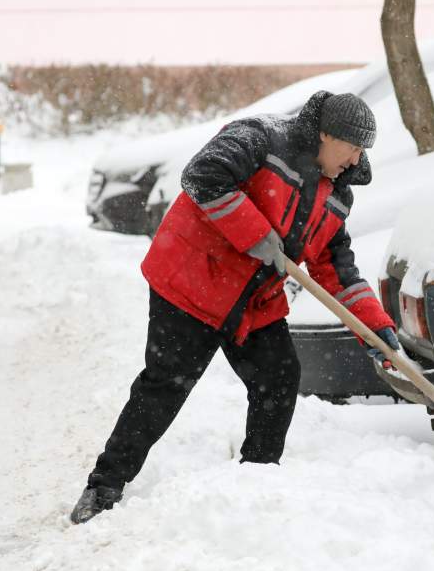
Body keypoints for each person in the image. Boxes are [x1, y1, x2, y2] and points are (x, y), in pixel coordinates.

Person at [70, 91, 399, 524]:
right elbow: (202, 176)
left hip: (253, 301)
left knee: (279, 377)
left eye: (363, 151)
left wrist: (375, 328)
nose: (356, 160)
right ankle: (104, 485)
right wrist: (254, 231)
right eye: (352, 147)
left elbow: (336, 269)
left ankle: (256, 481)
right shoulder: (261, 138)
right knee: (165, 385)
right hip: (193, 282)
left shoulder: (337, 194)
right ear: (324, 134)